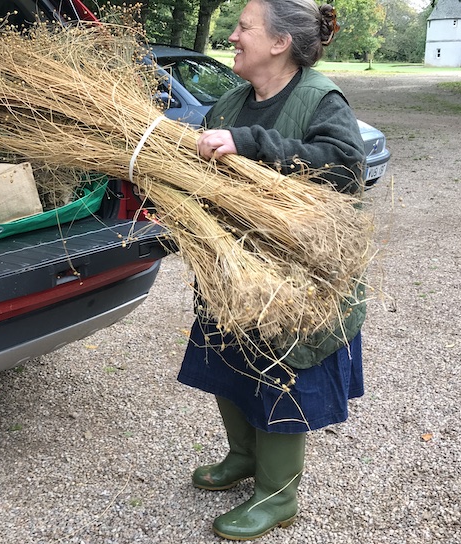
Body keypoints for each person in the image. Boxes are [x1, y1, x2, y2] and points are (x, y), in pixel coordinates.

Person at [177, 0, 367, 540]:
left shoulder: (318, 97)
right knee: (230, 362)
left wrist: (250, 144)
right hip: (232, 270)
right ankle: (243, 457)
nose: (232, 36)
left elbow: (344, 170)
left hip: (295, 281)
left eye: (243, 27)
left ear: (280, 42)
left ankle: (278, 495)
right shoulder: (233, 101)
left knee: (282, 375)